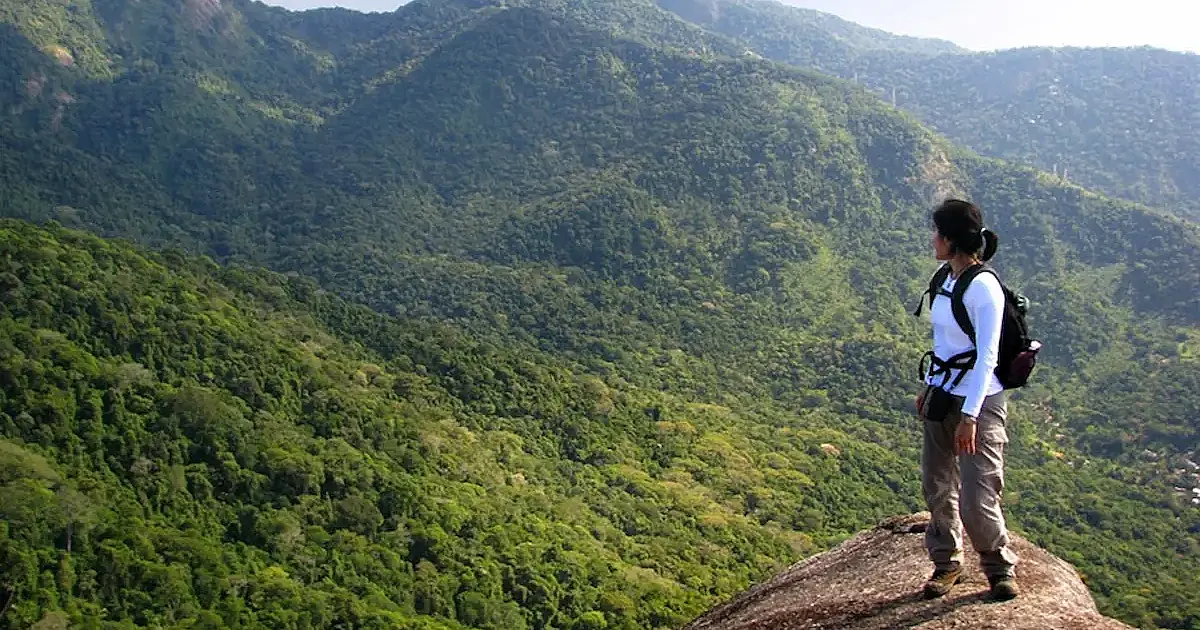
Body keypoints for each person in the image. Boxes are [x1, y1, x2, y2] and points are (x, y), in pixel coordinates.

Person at [915, 199, 1019, 601]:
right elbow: (943, 344)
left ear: (952, 239)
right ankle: (947, 563)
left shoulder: (984, 287)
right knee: (936, 484)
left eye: (937, 232)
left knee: (978, 495)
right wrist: (928, 388)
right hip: (942, 394)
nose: (932, 239)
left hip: (979, 402)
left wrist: (970, 416)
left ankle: (998, 566)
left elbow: (987, 357)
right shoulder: (944, 278)